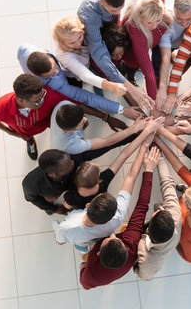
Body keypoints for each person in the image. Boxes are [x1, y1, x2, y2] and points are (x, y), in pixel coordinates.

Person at [53, 123, 162, 255]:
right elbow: (126, 162)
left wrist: (144, 140)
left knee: (80, 240)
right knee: (88, 240)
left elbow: (61, 234)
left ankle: (81, 246)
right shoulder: (116, 219)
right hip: (94, 236)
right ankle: (83, 246)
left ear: (88, 205)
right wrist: (144, 142)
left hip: (77, 235)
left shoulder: (67, 223)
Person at [80, 146, 160, 289]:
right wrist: (148, 170)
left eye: (109, 239)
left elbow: (84, 280)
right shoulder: (131, 242)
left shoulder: (90, 275)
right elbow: (142, 205)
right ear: (124, 247)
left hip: (90, 264)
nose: (112, 235)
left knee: (82, 262)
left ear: (98, 253)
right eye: (115, 239)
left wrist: (83, 266)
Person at [78, 0, 154, 112]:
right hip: (96, 36)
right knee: (100, 68)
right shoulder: (89, 15)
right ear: (101, 2)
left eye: (120, 8)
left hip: (111, 29)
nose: (118, 12)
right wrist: (129, 86)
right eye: (113, 10)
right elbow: (99, 55)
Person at [18, 43, 141, 125]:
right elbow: (85, 97)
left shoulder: (26, 49)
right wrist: (121, 109)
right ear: (40, 76)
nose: (57, 71)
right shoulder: (55, 84)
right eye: (52, 73)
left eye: (55, 66)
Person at [61, 117, 164, 209]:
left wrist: (141, 132)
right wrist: (146, 132)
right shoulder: (103, 183)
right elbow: (123, 155)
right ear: (97, 180)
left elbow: (66, 205)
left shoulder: (71, 196)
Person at [22, 136, 134, 215]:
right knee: (50, 198)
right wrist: (52, 208)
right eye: (69, 165)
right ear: (56, 174)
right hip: (54, 192)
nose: (72, 162)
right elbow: (33, 199)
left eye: (70, 159)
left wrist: (132, 136)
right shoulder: (31, 183)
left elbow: (103, 147)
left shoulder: (71, 158)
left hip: (73, 185)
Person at [0, 74, 73, 160]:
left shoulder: (44, 93)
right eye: (37, 101)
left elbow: (68, 101)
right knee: (27, 137)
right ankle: (30, 142)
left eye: (43, 96)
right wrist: (9, 132)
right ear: (21, 100)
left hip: (46, 122)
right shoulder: (1, 108)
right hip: (25, 132)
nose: (42, 101)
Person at [155, 0, 191, 113]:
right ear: (174, 9)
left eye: (189, 19)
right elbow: (165, 58)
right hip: (169, 45)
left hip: (188, 39)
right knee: (159, 64)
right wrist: (164, 89)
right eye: (179, 18)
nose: (184, 23)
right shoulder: (166, 23)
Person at [52, 15, 127, 96]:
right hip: (73, 75)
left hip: (88, 63)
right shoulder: (65, 56)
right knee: (79, 86)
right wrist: (112, 86)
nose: (78, 44)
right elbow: (85, 75)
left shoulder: (84, 31)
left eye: (80, 37)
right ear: (62, 42)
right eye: (72, 43)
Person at [121, 0, 172, 100]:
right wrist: (153, 103)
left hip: (148, 43)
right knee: (133, 65)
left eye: (158, 20)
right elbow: (149, 74)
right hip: (130, 50)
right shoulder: (136, 31)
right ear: (140, 17)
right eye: (149, 22)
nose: (154, 26)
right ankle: (129, 76)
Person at [50, 100, 147, 155]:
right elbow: (106, 141)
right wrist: (134, 128)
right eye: (81, 122)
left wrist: (106, 118)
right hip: (69, 152)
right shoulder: (71, 146)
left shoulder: (63, 105)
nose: (85, 119)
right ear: (70, 131)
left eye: (82, 116)